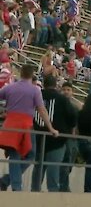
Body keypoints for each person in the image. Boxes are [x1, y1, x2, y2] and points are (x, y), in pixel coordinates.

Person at [0, 64, 59, 192]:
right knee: (30, 155)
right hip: (26, 125)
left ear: (21, 73)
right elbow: (42, 110)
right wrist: (51, 128)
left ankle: (10, 183)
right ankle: (13, 184)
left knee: (15, 155)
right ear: (32, 75)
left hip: (10, 124)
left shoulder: (10, 88)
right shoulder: (35, 90)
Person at [31, 75, 77, 192]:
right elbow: (72, 116)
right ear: (56, 85)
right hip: (57, 139)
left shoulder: (36, 95)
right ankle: (52, 194)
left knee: (38, 167)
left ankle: (34, 192)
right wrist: (69, 128)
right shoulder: (62, 99)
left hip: (38, 137)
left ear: (44, 84)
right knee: (53, 168)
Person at [59, 81, 81, 192]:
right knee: (64, 162)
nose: (66, 92)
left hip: (73, 138)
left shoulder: (76, 105)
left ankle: (63, 184)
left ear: (72, 92)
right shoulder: (58, 103)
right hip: (61, 136)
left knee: (69, 163)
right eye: (64, 90)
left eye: (68, 90)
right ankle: (63, 186)